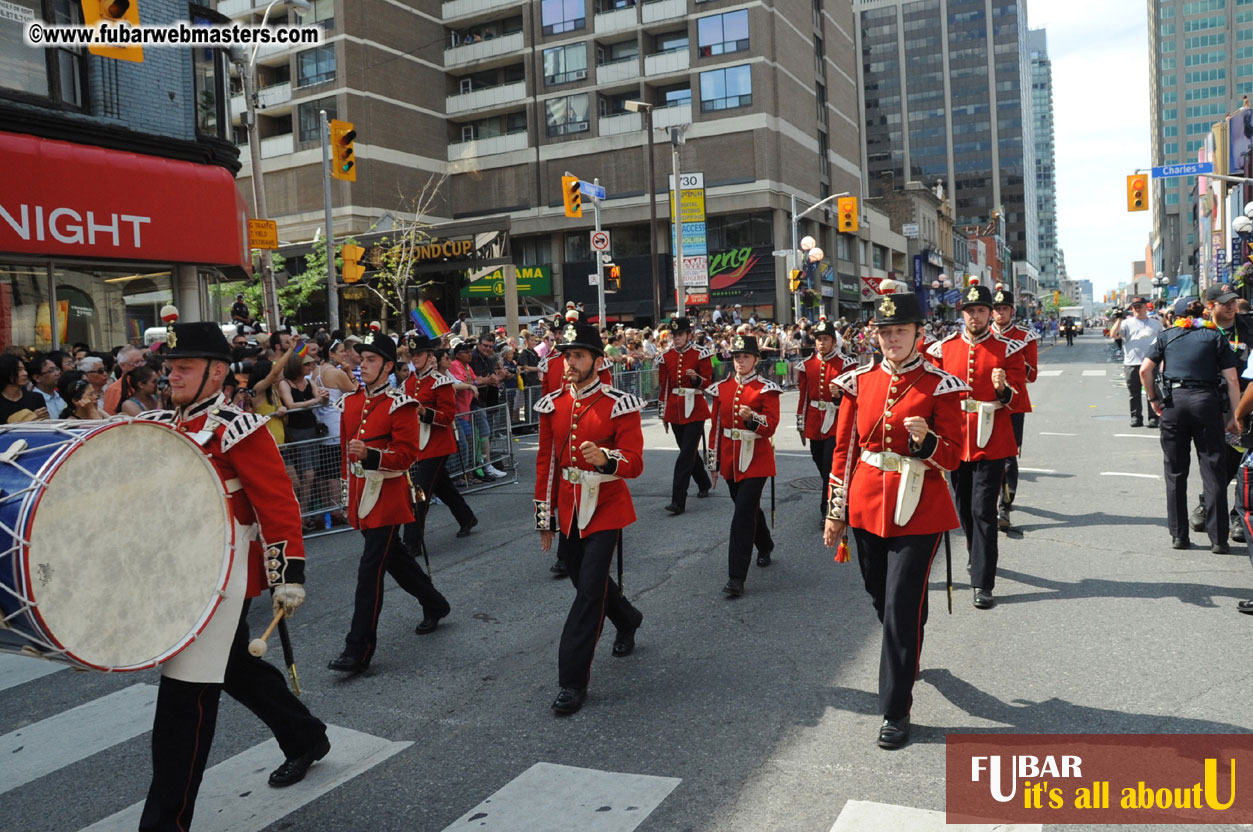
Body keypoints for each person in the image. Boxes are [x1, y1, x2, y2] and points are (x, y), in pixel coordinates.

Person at [136, 321, 328, 831]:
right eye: (170, 367)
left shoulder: (238, 428)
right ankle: (306, 736)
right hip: (179, 573)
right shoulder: (164, 424)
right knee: (238, 667)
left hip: (221, 579)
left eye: (184, 367)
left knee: (183, 703)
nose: (172, 376)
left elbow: (277, 503)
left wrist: (287, 574)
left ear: (217, 372)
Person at [823, 291, 966, 750]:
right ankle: (909, 639)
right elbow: (844, 451)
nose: (892, 339)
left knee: (900, 607)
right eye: (885, 333)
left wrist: (927, 442)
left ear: (919, 333)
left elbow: (954, 457)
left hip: (920, 508)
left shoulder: (940, 385)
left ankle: (895, 709)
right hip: (866, 502)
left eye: (901, 330)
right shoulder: (858, 382)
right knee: (881, 595)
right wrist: (835, 512)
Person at [533, 322, 646, 715]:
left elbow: (635, 462)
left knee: (588, 595)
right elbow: (547, 463)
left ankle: (572, 681)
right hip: (569, 508)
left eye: (578, 356)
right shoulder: (552, 404)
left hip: (605, 506)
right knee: (585, 581)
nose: (570, 363)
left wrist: (607, 459)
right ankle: (628, 619)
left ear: (598, 360)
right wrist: (544, 517)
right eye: (567, 356)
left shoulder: (619, 403)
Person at [329, 330, 451, 674]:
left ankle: (358, 649)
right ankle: (435, 603)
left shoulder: (401, 404)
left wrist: (371, 455)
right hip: (361, 497)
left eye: (371, 360)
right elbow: (345, 457)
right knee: (395, 559)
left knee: (370, 572)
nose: (363, 365)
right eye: (362, 359)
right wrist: (347, 496)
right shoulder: (350, 402)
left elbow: (407, 456)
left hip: (387, 497)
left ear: (387, 366)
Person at [926, 282, 1027, 609]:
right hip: (955, 439)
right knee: (965, 509)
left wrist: (1003, 390)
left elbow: (1018, 399)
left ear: (990, 313)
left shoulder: (1008, 349)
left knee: (983, 509)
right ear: (963, 314)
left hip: (991, 439)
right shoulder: (944, 349)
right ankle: (975, 552)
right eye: (970, 311)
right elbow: (933, 395)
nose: (975, 316)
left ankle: (983, 582)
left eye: (981, 310)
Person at [1141, 296, 1241, 553]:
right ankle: (1218, 539)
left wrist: (1153, 399)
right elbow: (1231, 379)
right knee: (1213, 470)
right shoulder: (1215, 336)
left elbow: (1145, 370)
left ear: (1177, 316)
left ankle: (1179, 536)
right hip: (1206, 403)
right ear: (1202, 315)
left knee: (1175, 472)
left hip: (1174, 404)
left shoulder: (1166, 336)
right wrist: (1235, 415)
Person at [706, 334, 782, 596]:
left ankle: (736, 577)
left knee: (741, 515)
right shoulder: (722, 388)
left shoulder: (766, 389)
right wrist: (713, 463)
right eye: (737, 357)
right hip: (730, 459)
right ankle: (765, 544)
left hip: (756, 459)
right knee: (747, 509)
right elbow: (716, 428)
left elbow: (770, 427)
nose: (740, 361)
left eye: (745, 357)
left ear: (756, 360)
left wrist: (753, 420)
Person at [403, 333, 479, 548]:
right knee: (443, 487)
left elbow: (447, 416)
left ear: (430, 356)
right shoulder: (409, 382)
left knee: (419, 491)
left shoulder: (441, 382)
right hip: (419, 443)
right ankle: (466, 517)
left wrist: (424, 412)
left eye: (419, 354)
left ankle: (411, 543)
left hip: (438, 445)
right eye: (412, 354)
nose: (415, 358)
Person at [1190, 283, 1253, 542]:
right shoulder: (1198, 330)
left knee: (1241, 459)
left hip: (1245, 402)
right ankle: (1208, 504)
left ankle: (1238, 515)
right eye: (1225, 302)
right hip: (1212, 402)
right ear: (1210, 306)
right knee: (1214, 459)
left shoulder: (1248, 326)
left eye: (1233, 302)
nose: (1231, 306)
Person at [796, 318, 857, 520]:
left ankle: (827, 509)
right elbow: (803, 397)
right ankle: (843, 490)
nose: (821, 343)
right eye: (819, 339)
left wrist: (839, 395)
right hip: (815, 422)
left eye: (826, 339)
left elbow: (855, 396)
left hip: (837, 421)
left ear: (834, 341)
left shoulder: (846, 364)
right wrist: (801, 424)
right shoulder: (807, 365)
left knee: (829, 465)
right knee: (819, 460)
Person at [990, 287, 1039, 530]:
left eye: (1005, 309)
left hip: (1013, 405)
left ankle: (1005, 506)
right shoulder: (982, 335)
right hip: (986, 406)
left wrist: (1013, 360)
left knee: (1009, 458)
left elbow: (1032, 375)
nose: (1000, 313)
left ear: (1012, 311)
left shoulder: (1025, 337)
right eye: (997, 309)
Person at [657, 317, 715, 515]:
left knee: (684, 456)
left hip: (695, 408)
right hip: (674, 410)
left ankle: (678, 501)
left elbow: (708, 383)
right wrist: (663, 414)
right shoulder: (666, 357)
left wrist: (696, 379)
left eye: (680, 334)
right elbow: (664, 387)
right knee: (687, 451)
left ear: (689, 335)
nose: (676, 338)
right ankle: (704, 482)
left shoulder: (700, 353)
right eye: (674, 335)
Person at [1110, 298, 1163, 428]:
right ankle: (1136, 417)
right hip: (1132, 363)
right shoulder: (1126, 323)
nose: (1137, 309)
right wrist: (1119, 319)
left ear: (1146, 307)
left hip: (1151, 363)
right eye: (1135, 307)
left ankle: (1154, 417)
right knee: (1134, 393)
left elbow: (1163, 341)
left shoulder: (1156, 324)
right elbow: (1113, 335)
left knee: (1153, 391)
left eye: (1140, 306)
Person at [0, 354, 48, 423]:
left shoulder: (36, 398)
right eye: (19, 370)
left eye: (24, 369)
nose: (25, 373)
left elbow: (45, 424)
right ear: (6, 372)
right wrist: (31, 417)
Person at [102, 345, 146, 415]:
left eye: (142, 361)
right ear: (123, 365)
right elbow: (110, 416)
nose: (141, 365)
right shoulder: (115, 390)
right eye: (136, 362)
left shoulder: (149, 383)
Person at [26, 354, 65, 419]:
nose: (57, 373)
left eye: (57, 369)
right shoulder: (31, 401)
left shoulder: (61, 395)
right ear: (37, 378)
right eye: (51, 371)